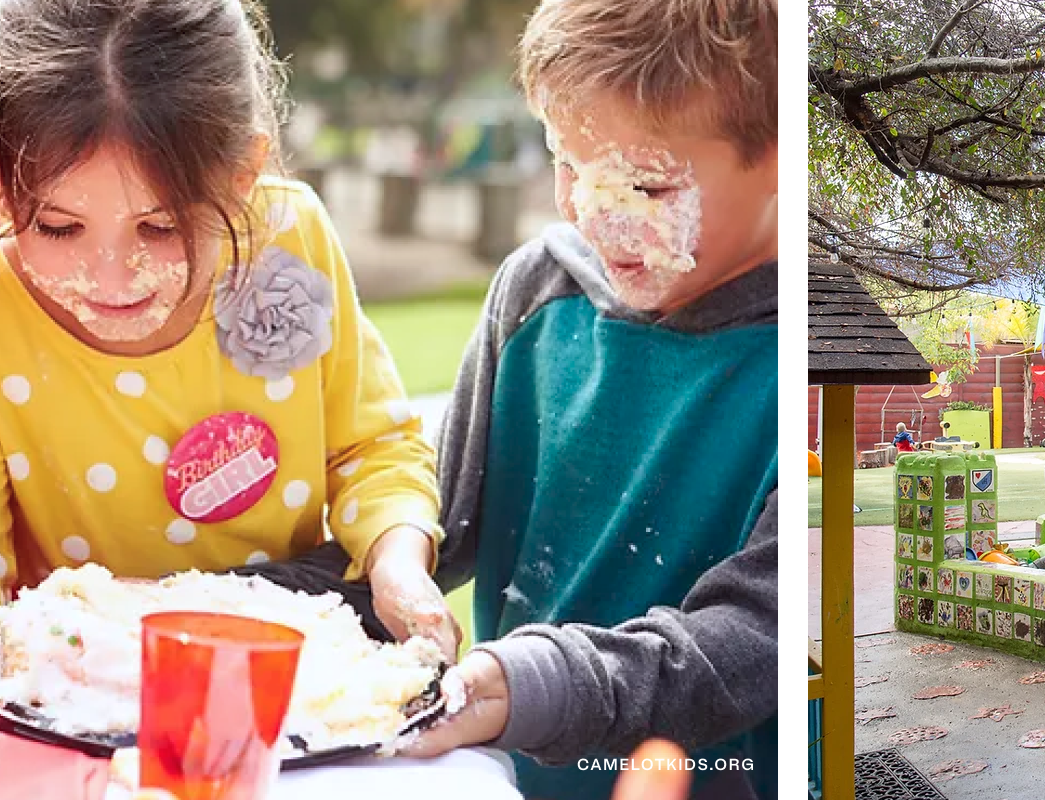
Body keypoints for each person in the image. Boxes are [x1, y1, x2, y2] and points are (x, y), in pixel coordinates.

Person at [0, 0, 455, 705]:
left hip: (282, 679)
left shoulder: (290, 240)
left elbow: (372, 450)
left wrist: (397, 560)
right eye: (56, 225)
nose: (112, 276)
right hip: (76, 693)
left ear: (240, 176)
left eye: (160, 226)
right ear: (2, 192)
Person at [251, 0, 779, 795]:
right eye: (567, 163)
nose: (596, 213)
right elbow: (428, 525)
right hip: (502, 776)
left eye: (645, 184)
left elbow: (751, 638)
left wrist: (531, 682)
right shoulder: (537, 289)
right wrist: (245, 593)